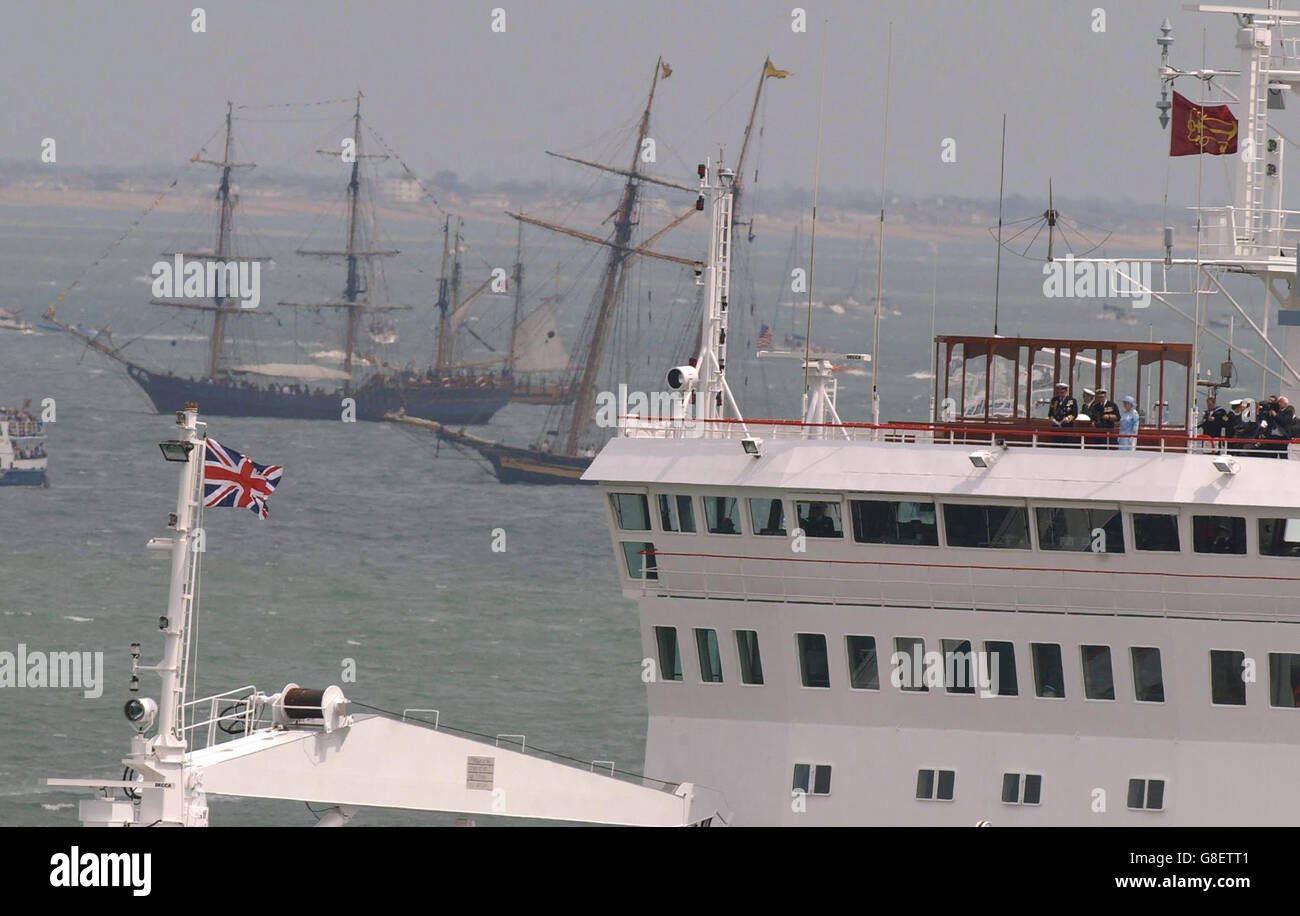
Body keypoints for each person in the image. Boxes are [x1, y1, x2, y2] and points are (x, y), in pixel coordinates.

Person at [1047, 382, 1077, 446]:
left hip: (1066, 427)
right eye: (1059, 392)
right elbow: (1050, 413)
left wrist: (1067, 419)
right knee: (1055, 445)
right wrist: (1053, 420)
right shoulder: (1054, 400)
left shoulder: (1071, 400)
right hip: (1056, 427)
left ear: (1066, 391)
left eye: (1062, 392)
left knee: (1065, 446)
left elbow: (1074, 413)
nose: (1060, 393)